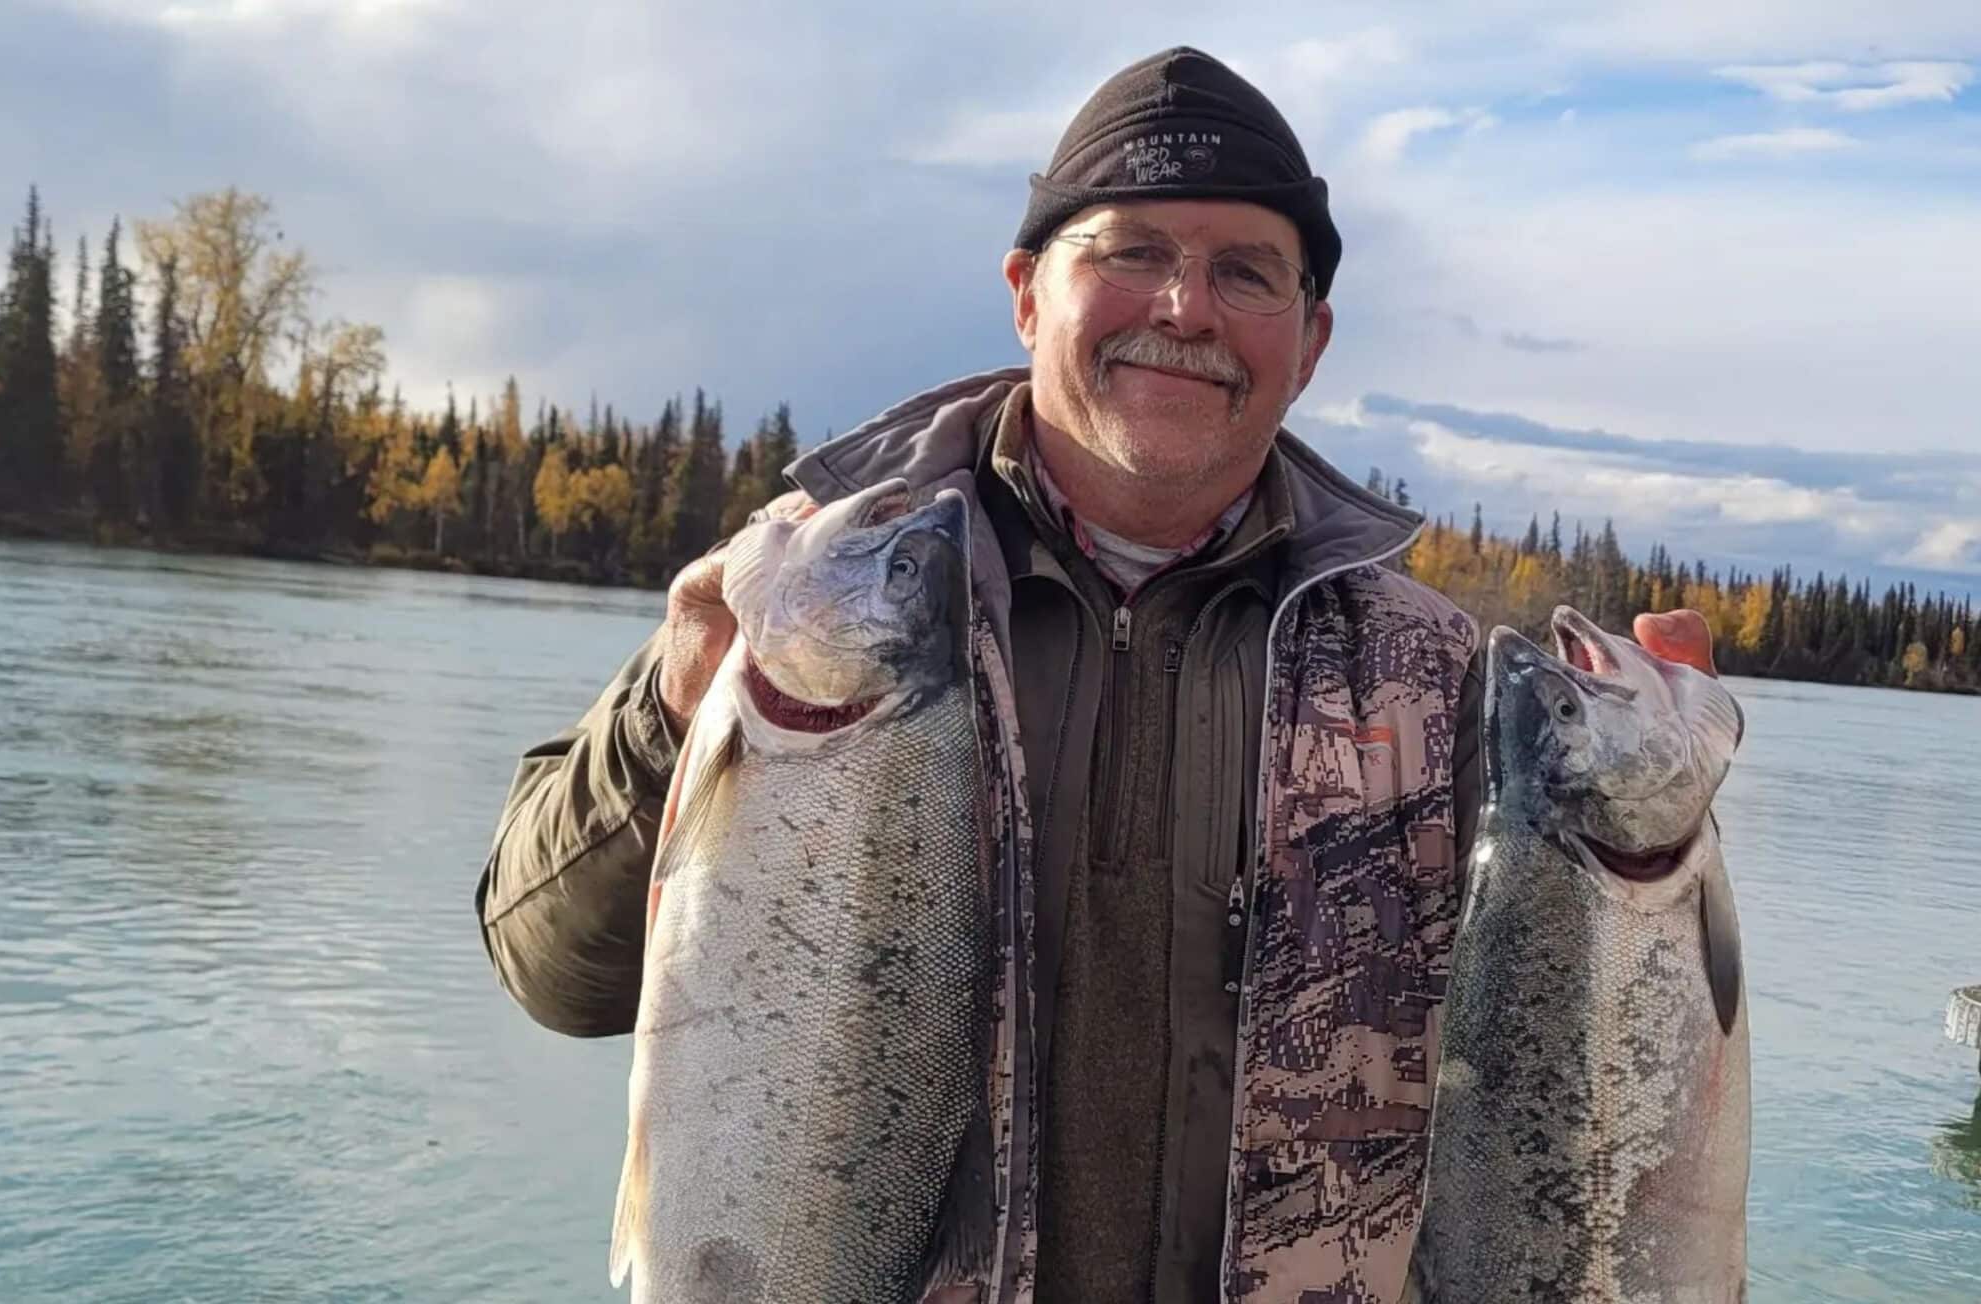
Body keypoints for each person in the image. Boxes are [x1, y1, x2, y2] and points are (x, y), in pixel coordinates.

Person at [473, 47, 1719, 1304]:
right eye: (1129, 252)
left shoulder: (1439, 681)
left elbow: (1571, 1117)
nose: (1183, 308)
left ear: (1311, 336)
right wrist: (667, 719)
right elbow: (550, 973)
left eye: (1245, 271)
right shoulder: (829, 598)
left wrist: (1651, 882)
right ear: (1025, 291)